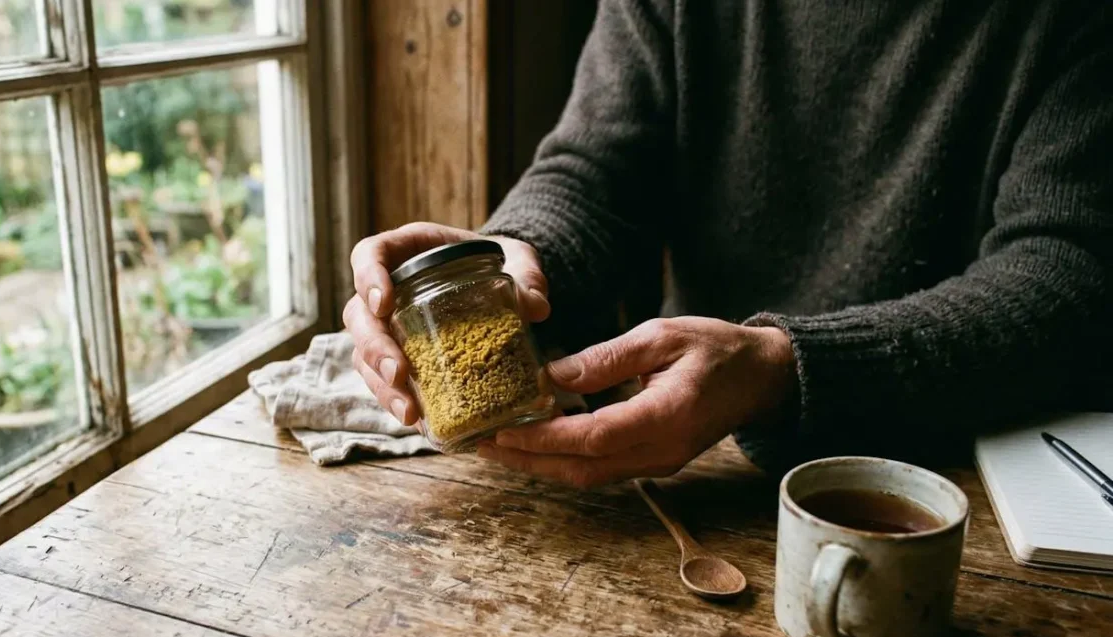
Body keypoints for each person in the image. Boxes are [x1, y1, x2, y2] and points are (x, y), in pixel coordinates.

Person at [344, 0, 1113, 487]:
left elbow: (1070, 275)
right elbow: (595, 167)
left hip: (983, 482)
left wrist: (782, 369)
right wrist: (516, 256)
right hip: (698, 473)